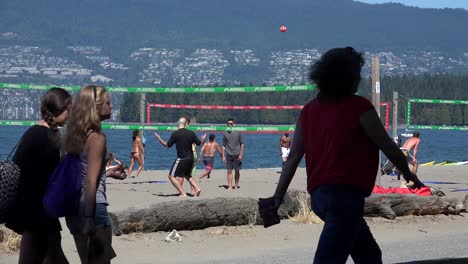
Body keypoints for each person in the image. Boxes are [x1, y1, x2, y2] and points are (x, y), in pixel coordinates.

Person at [258, 47, 424, 264]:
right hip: (345, 198)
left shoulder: (309, 110)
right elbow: (389, 148)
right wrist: (410, 175)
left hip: (319, 197)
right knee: (329, 259)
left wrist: (278, 196)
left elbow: (293, 158)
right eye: (357, 72)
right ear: (346, 76)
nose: (359, 78)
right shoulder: (360, 107)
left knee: (370, 255)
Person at [5, 87, 71, 264]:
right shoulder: (50, 138)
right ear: (59, 111)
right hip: (39, 212)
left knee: (37, 255)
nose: (70, 115)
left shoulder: (32, 132)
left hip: (28, 208)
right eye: (68, 110)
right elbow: (56, 177)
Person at [64, 85, 116, 263]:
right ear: (96, 107)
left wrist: (108, 171)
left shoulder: (73, 136)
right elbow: (91, 181)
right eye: (108, 103)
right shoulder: (97, 138)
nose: (111, 107)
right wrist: (89, 218)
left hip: (72, 208)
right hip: (92, 209)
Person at [154, 117, 206, 197]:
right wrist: (203, 139)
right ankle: (197, 188)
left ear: (178, 123)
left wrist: (159, 138)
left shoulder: (175, 134)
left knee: (171, 176)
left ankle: (182, 193)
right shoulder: (191, 133)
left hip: (182, 158)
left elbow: (167, 145)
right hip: (191, 158)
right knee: (187, 175)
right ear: (185, 124)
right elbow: (199, 143)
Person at [223, 118, 244, 190]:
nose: (229, 125)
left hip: (237, 154)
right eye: (228, 124)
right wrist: (223, 155)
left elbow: (242, 144)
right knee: (229, 170)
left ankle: (236, 185)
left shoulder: (238, 132)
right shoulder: (225, 133)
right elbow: (223, 145)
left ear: (234, 124)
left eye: (231, 123)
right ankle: (230, 186)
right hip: (228, 154)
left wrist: (241, 154)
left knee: (237, 171)